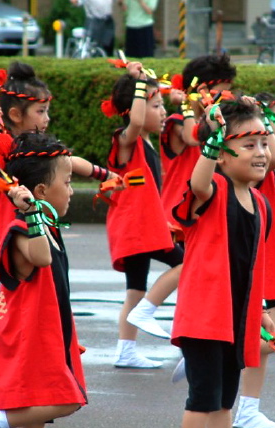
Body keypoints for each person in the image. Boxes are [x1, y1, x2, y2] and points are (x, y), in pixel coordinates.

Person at [0, 133, 87, 428]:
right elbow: (42, 258)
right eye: (67, 181)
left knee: (33, 426)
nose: (72, 189)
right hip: (28, 340)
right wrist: (32, 213)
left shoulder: (47, 225)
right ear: (41, 192)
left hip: (46, 337)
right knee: (70, 399)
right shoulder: (23, 229)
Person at [171, 97, 275, 428]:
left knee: (225, 398)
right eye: (249, 145)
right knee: (202, 397)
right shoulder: (213, 189)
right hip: (204, 318)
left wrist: (259, 310)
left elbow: (251, 267)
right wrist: (212, 141)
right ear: (224, 156)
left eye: (264, 143)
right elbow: (197, 184)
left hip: (237, 319)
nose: (261, 153)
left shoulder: (262, 204)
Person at [0, 62, 117, 279]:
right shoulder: (3, 148)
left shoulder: (34, 148)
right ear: (16, 115)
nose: (47, 118)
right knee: (27, 301)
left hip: (37, 233)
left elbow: (68, 161)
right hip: (16, 233)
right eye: (41, 111)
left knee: (50, 292)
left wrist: (106, 175)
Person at [102, 60, 184, 368]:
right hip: (135, 227)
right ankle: (148, 309)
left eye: (162, 104)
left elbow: (146, 194)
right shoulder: (126, 140)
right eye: (156, 105)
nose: (163, 112)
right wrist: (139, 81)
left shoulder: (148, 145)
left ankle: (126, 349)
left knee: (135, 287)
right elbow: (135, 119)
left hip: (142, 225)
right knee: (186, 263)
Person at [232, 93, 275, 428]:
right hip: (263, 259)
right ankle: (245, 407)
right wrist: (261, 117)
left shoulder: (266, 170)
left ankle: (248, 407)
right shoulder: (260, 163)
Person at [160, 54, 237, 227]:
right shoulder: (177, 121)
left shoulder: (212, 123)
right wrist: (186, 105)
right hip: (176, 218)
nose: (223, 100)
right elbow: (192, 137)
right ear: (200, 91)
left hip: (200, 215)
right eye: (219, 94)